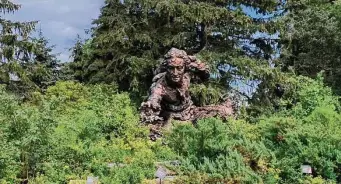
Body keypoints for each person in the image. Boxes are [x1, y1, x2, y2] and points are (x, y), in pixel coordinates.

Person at [140, 48, 233, 139]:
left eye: (179, 68)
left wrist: (198, 65)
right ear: (166, 68)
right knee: (168, 136)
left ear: (184, 67)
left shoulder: (186, 76)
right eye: (171, 68)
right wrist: (151, 104)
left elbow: (205, 76)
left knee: (224, 112)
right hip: (172, 118)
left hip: (191, 112)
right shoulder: (160, 86)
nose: (175, 73)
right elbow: (154, 98)